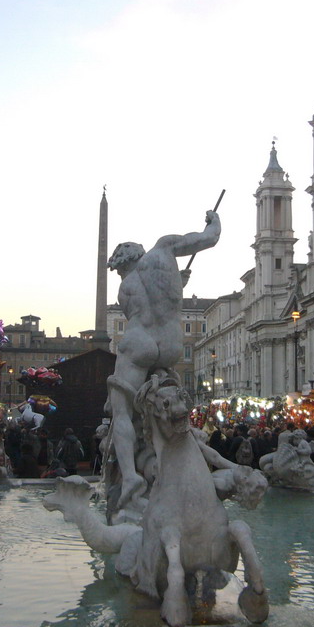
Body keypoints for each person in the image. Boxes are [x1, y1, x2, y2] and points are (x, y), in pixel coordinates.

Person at [105, 209, 221, 510]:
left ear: (123, 263)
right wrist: (213, 220)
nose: (120, 275)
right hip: (170, 345)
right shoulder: (165, 249)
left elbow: (141, 314)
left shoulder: (124, 287)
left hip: (140, 342)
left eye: (118, 270)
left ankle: (130, 476)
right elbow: (210, 239)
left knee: (120, 412)